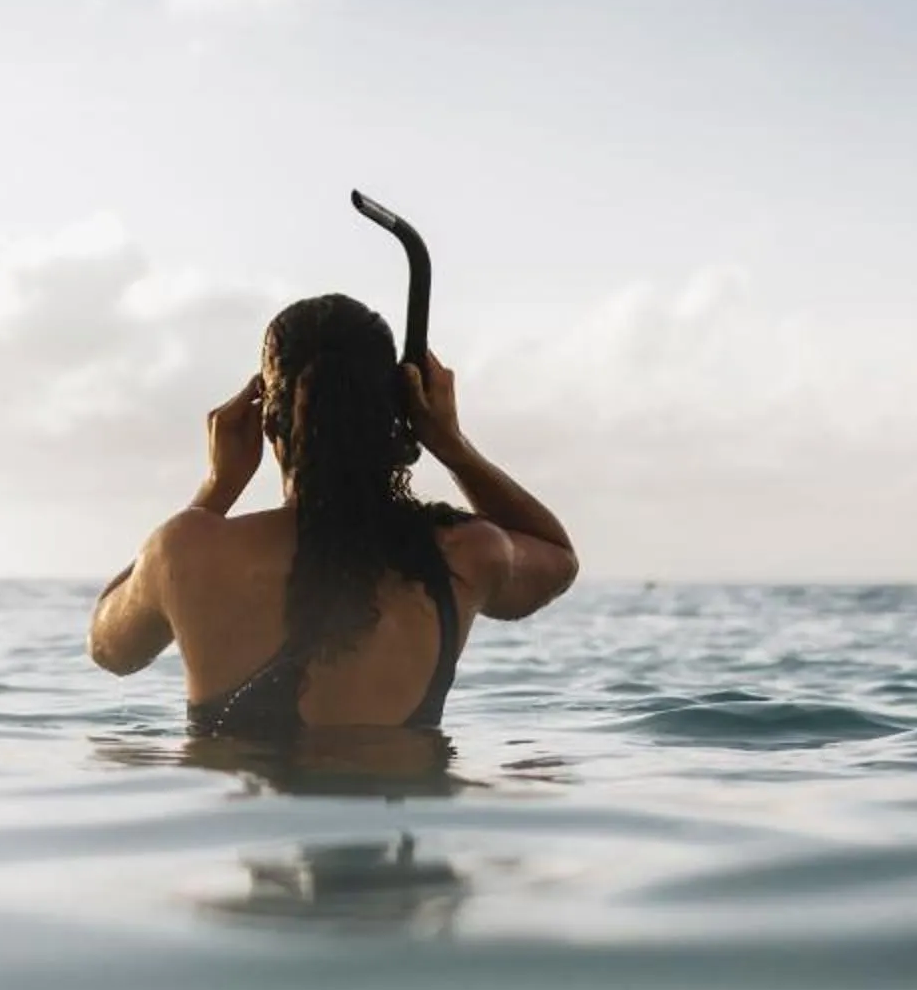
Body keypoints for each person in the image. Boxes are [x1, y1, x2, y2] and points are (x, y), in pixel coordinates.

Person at [89, 293, 577, 738]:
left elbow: (110, 649)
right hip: (401, 829)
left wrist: (217, 488)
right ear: (399, 415)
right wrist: (452, 444)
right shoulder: (465, 552)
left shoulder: (186, 552)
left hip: (250, 832)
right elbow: (556, 558)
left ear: (267, 421)